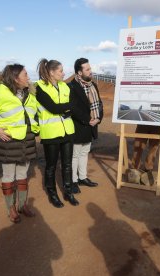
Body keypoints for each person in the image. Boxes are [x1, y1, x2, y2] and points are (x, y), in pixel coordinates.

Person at [0, 64, 39, 223]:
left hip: (26, 141)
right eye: (25, 74)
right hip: (7, 142)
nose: (28, 77)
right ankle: (11, 209)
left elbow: (33, 116)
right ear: (15, 78)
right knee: (8, 176)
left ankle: (22, 205)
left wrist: (36, 128)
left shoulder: (30, 95)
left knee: (22, 175)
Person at [35, 58, 79, 208]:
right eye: (60, 71)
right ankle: (52, 193)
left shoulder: (65, 86)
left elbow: (74, 105)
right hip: (51, 133)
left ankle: (68, 192)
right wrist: (66, 108)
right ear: (52, 72)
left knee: (67, 164)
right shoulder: (40, 87)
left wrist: (65, 108)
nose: (63, 73)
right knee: (51, 166)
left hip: (67, 130)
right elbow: (52, 108)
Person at [68, 58, 103, 193]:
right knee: (75, 155)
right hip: (78, 126)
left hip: (91, 126)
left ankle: (82, 177)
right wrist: (88, 119)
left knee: (84, 153)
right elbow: (73, 108)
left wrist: (98, 118)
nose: (90, 71)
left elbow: (99, 104)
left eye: (90, 68)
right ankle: (73, 180)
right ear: (79, 72)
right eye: (87, 69)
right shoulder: (72, 86)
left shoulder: (93, 85)